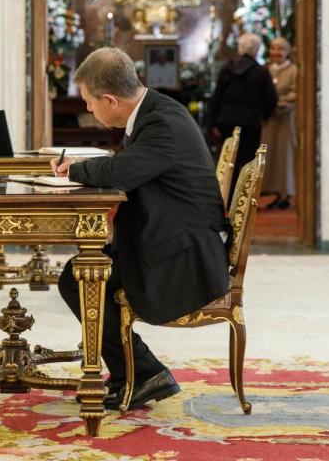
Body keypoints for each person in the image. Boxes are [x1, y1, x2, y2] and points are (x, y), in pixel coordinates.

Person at [50, 47, 231, 410]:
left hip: (186, 258)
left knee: (81, 276)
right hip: (175, 239)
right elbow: (129, 166)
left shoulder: (162, 124)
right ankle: (135, 373)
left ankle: (142, 373)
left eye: (89, 103)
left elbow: (121, 171)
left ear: (110, 100)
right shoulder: (156, 111)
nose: (89, 110)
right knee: (81, 274)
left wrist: (74, 169)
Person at [209, 33, 278, 201]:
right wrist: (264, 115)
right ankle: (243, 201)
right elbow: (271, 98)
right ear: (257, 50)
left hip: (227, 120)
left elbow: (217, 96)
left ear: (239, 48)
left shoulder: (227, 68)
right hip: (251, 121)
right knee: (248, 162)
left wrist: (213, 122)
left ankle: (225, 198)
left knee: (228, 161)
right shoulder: (261, 71)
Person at [261, 37, 297, 209]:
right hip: (270, 119)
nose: (276, 53)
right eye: (273, 49)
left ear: (287, 51)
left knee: (285, 155)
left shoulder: (293, 70)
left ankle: (287, 194)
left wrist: (278, 104)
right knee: (271, 155)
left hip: (286, 119)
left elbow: (295, 93)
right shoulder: (267, 70)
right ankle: (276, 193)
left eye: (280, 49)